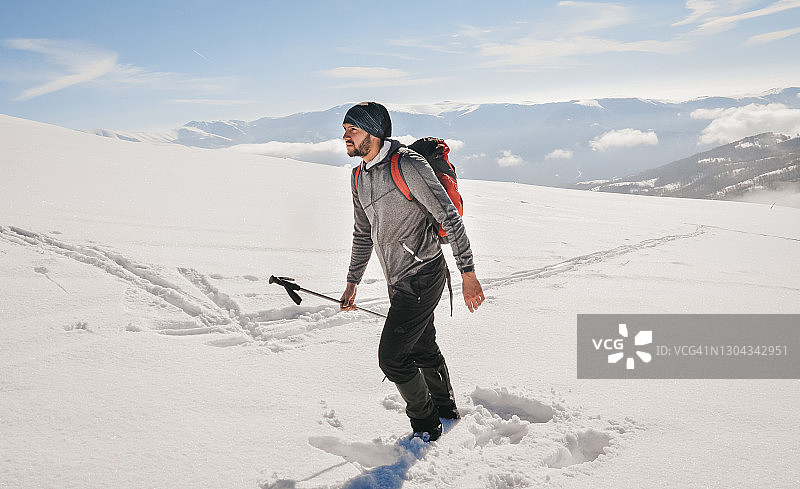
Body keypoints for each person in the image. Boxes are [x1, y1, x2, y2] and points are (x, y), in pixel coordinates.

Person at [339, 101, 485, 441]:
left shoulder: (407, 164)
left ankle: (426, 425)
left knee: (392, 358)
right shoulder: (358, 176)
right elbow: (363, 233)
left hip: (424, 275)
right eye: (345, 129)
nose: (346, 136)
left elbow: (449, 217)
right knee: (422, 347)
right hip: (397, 280)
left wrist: (468, 273)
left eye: (353, 129)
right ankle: (446, 411)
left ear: (374, 132)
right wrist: (352, 281)